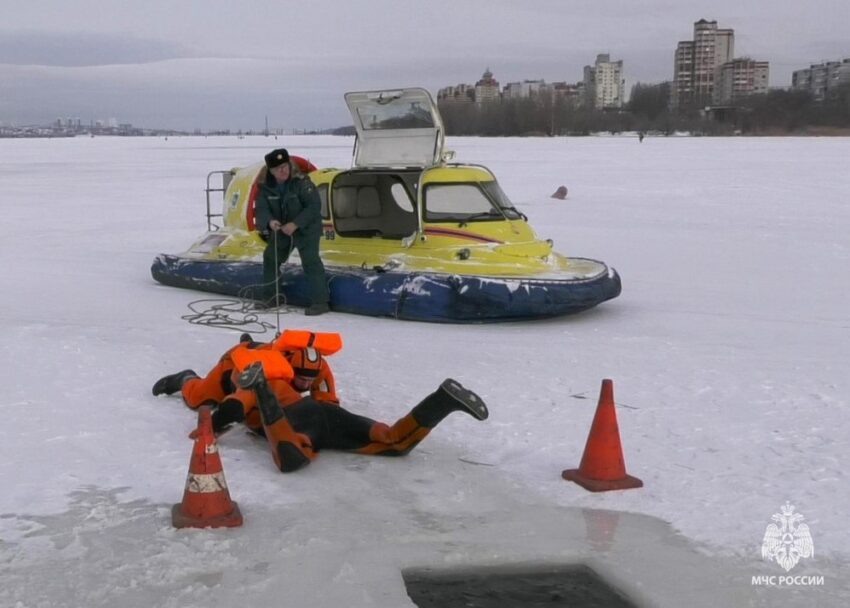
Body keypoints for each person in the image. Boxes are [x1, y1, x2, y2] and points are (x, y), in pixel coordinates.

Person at [234, 360, 489, 472]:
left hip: (299, 419)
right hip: (325, 411)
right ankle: (442, 400)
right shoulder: (277, 372)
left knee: (291, 458)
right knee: (394, 441)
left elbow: (228, 409)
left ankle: (261, 389)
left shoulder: (238, 385)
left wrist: (216, 424)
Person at [152, 332, 340, 433]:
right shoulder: (272, 369)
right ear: (290, 367)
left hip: (258, 352)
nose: (306, 385)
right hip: (234, 363)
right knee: (199, 398)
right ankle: (185, 379)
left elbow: (328, 404)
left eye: (310, 381)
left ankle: (248, 339)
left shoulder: (320, 368)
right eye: (302, 379)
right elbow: (244, 395)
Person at [255, 148, 329, 315]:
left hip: (306, 228)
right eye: (278, 168)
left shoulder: (302, 183)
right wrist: (269, 222)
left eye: (285, 166)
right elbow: (262, 209)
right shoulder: (266, 188)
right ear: (271, 171)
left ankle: (321, 302)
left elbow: (313, 207)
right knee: (270, 257)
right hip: (283, 229)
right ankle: (272, 297)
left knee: (310, 261)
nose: (283, 171)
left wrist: (296, 224)